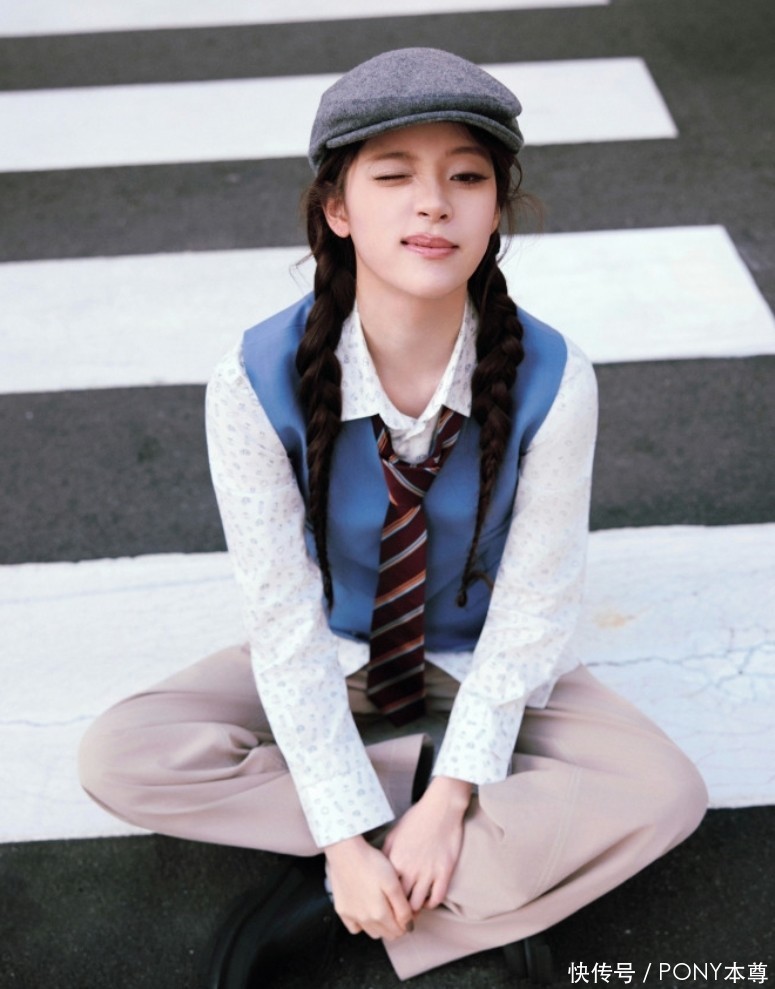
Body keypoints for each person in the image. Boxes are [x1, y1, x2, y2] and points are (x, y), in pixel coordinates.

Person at [79, 47, 708, 987]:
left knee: (665, 794)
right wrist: (344, 832)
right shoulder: (251, 380)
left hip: (474, 663)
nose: (433, 204)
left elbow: (533, 608)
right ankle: (394, 856)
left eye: (466, 177)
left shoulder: (554, 376)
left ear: (496, 208)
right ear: (337, 208)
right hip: (336, 656)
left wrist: (448, 799)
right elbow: (283, 624)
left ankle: (387, 869)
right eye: (393, 176)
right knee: (122, 756)